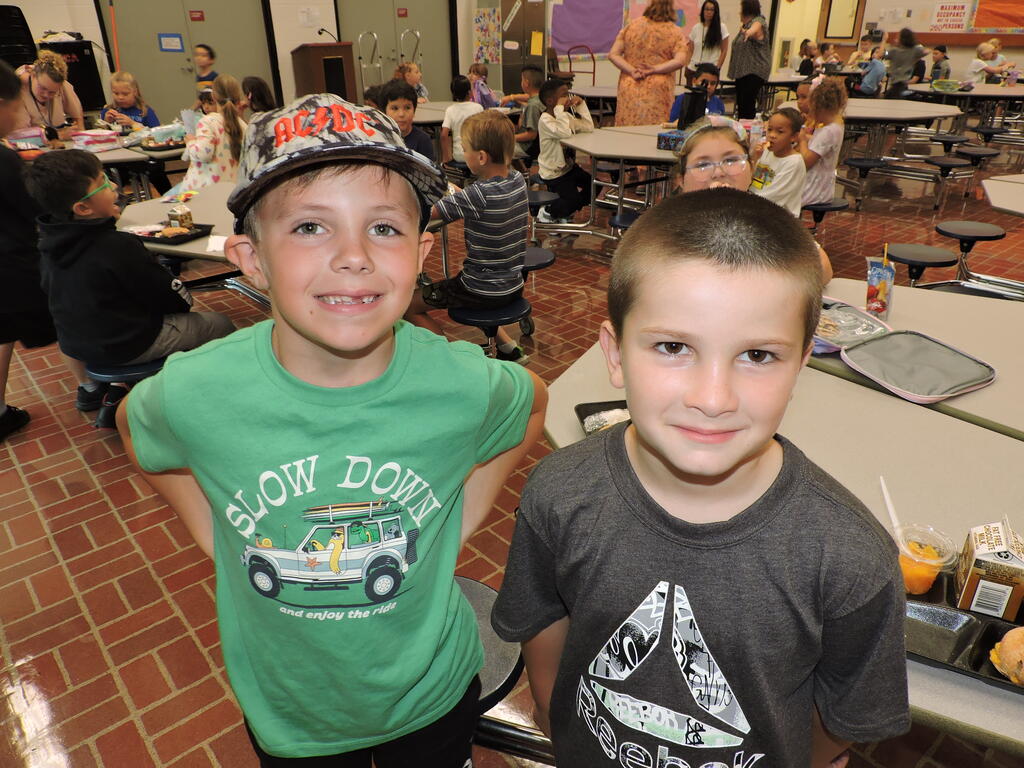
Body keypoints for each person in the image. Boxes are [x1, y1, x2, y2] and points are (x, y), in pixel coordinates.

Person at [116, 93, 547, 764]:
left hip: (432, 692)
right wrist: (216, 532)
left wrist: (457, 519)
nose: (354, 255)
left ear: (421, 251)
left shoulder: (460, 381)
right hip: (293, 711)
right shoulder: (197, 390)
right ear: (251, 258)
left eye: (384, 227)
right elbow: (136, 428)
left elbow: (532, 405)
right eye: (311, 226)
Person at [490, 187, 910, 768]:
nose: (714, 398)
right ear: (614, 354)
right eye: (673, 346)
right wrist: (551, 714)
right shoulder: (558, 494)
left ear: (801, 365)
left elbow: (842, 717)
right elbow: (544, 619)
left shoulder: (850, 559)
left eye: (758, 356)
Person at [23, 149, 234, 427]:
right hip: (127, 343)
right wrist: (180, 305)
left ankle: (106, 390)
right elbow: (173, 298)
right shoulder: (117, 245)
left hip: (81, 345)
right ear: (83, 208)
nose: (113, 185)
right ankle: (217, 391)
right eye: (102, 182)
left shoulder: (46, 246)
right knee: (218, 324)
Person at [0, 60, 93, 438]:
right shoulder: (4, 159)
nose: (16, 116)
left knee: (3, 331)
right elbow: (32, 207)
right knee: (66, 313)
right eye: (14, 107)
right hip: (16, 262)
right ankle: (92, 386)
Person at [405, 111, 529, 362]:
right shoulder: (518, 180)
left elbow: (429, 213)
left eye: (465, 149)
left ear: (481, 157)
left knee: (407, 305)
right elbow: (474, 200)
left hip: (479, 290)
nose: (463, 153)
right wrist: (462, 196)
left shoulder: (477, 195)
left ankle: (452, 361)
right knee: (473, 291)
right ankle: (509, 348)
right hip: (513, 284)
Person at [673, 115, 832, 282]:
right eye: (702, 165)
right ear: (681, 180)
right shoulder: (669, 224)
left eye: (731, 160)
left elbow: (822, 268)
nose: (719, 172)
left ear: (751, 168)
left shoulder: (765, 217)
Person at [608, 0, 690, 126]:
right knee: (654, 129)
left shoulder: (632, 26)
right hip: (658, 89)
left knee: (627, 127)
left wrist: (632, 70)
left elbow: (613, 54)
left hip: (630, 84)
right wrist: (654, 69)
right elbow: (680, 60)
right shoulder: (675, 32)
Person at [537, 79, 594, 224]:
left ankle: (566, 210)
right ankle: (548, 211)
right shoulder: (545, 120)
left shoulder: (565, 116)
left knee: (594, 185)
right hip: (553, 172)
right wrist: (559, 109)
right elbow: (564, 133)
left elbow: (588, 127)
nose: (568, 98)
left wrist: (581, 105)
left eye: (568, 94)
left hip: (568, 168)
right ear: (550, 101)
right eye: (563, 95)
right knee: (572, 199)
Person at [179, 74, 247, 193]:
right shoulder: (243, 125)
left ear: (214, 96)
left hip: (205, 191)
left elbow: (203, 154)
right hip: (234, 191)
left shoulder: (207, 122)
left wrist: (191, 143)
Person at [798, 76, 847, 207]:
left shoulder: (828, 131)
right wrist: (808, 138)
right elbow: (821, 145)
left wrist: (802, 140)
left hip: (814, 189)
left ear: (818, 105)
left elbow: (806, 162)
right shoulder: (836, 125)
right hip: (823, 186)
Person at [14, 50, 84, 140]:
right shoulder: (16, 91)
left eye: (52, 92)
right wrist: (58, 135)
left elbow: (78, 116)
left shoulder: (62, 85)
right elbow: (19, 136)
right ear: (33, 75)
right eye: (42, 88)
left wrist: (79, 132)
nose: (46, 95)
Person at [750, 107, 806, 217]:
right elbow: (751, 180)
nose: (772, 135)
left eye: (780, 132)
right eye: (769, 129)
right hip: (757, 207)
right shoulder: (766, 152)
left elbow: (772, 197)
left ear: (794, 137)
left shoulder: (794, 162)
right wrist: (756, 158)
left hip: (778, 216)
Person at [729, 0, 771, 119]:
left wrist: (747, 32)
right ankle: (743, 125)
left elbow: (754, 29)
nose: (739, 13)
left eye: (741, 9)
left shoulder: (758, 21)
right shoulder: (746, 25)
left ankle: (747, 126)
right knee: (742, 104)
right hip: (743, 72)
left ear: (746, 10)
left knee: (747, 103)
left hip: (754, 71)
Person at [380, 79, 434, 161]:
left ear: (414, 110)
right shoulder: (379, 139)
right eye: (395, 108)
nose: (401, 114)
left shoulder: (423, 140)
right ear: (384, 112)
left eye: (407, 108)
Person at [441, 75, 483, 165]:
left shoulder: (450, 110)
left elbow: (444, 135)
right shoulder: (478, 108)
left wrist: (446, 158)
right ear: (469, 92)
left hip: (458, 156)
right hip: (476, 155)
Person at [686, 0, 729, 85]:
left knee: (706, 93)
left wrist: (717, 68)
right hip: (693, 69)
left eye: (712, 10)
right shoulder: (696, 28)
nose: (709, 12)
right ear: (703, 11)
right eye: (706, 9)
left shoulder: (721, 27)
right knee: (690, 92)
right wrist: (687, 65)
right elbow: (690, 50)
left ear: (716, 12)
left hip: (709, 72)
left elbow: (724, 50)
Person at [508, 65, 544, 164]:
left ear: (526, 83)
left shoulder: (532, 106)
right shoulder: (541, 99)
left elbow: (531, 135)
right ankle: (521, 170)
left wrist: (510, 138)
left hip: (527, 147)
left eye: (522, 80)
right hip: (537, 146)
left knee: (495, 149)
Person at [884, 28, 925, 98]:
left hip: (898, 84)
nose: (895, 39)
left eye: (898, 37)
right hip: (902, 85)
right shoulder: (911, 51)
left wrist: (884, 40)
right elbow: (925, 51)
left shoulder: (895, 51)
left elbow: (884, 54)